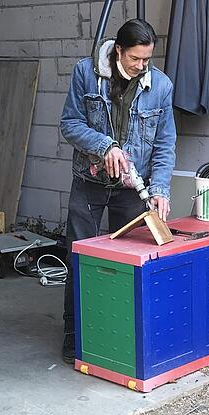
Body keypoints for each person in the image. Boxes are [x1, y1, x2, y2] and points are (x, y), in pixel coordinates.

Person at [59, 19, 177, 363]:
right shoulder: (86, 73)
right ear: (119, 51)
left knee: (131, 265)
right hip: (89, 183)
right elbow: (69, 124)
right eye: (134, 59)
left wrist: (160, 189)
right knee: (78, 260)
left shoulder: (160, 86)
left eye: (146, 60)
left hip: (131, 188)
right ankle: (75, 337)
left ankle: (123, 338)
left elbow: (165, 143)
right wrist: (104, 146)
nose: (141, 67)